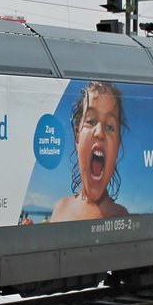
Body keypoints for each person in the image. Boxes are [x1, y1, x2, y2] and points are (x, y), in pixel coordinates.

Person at [51, 81, 129, 221]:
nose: (99, 132)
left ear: (117, 147)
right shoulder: (61, 208)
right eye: (91, 121)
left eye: (110, 127)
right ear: (77, 137)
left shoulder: (120, 215)